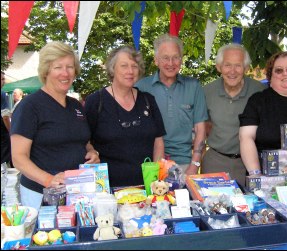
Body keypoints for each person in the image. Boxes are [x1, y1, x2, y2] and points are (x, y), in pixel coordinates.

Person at [10, 41, 100, 210]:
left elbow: (81, 140)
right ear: (46, 71)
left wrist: (91, 152)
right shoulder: (29, 106)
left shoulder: (76, 105)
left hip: (77, 192)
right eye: (58, 67)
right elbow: (18, 158)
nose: (65, 73)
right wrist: (48, 180)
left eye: (70, 67)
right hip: (41, 194)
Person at [84, 45, 166, 188]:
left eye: (134, 66)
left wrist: (155, 178)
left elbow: (158, 142)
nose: (130, 71)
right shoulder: (96, 101)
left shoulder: (148, 100)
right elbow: (84, 139)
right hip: (107, 189)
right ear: (112, 68)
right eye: (124, 66)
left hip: (146, 186)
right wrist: (91, 151)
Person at [136, 34, 208, 175]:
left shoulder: (194, 86)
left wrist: (195, 165)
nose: (171, 63)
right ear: (156, 60)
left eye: (175, 57)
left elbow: (201, 130)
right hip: (150, 164)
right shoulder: (141, 87)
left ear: (181, 60)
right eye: (165, 58)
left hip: (185, 165)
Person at [201, 44, 266, 186]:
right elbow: (203, 128)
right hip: (215, 161)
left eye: (238, 65)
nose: (232, 71)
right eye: (227, 65)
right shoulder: (206, 92)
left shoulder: (260, 92)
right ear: (219, 67)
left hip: (249, 165)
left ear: (246, 68)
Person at [1, 71, 11, 164]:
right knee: (4, 162)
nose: (3, 81)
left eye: (4, 79)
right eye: (2, 79)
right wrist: (11, 130)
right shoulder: (2, 94)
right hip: (3, 133)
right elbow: (5, 116)